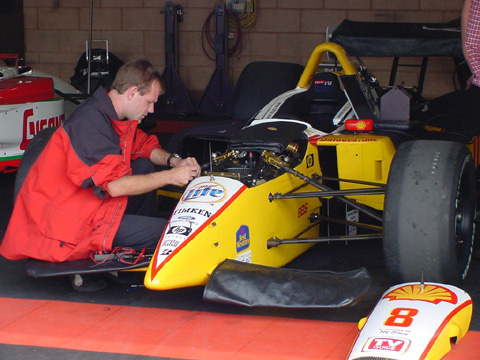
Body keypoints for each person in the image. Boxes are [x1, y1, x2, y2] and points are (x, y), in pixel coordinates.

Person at [0, 59, 200, 289]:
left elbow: (143, 146)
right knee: (170, 234)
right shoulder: (90, 122)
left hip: (86, 207)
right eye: (150, 102)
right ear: (132, 92)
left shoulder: (108, 115)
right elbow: (114, 186)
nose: (152, 110)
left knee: (143, 167)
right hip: (66, 228)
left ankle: (120, 253)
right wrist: (171, 177)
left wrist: (174, 161)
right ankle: (101, 258)